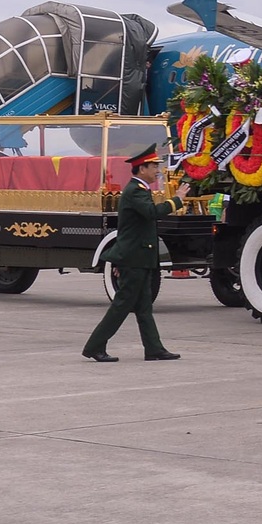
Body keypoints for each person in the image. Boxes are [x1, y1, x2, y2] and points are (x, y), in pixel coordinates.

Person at [83, 147, 187, 362]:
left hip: (140, 258)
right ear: (142, 169)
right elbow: (152, 213)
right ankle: (94, 346)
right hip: (133, 259)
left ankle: (153, 348)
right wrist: (176, 200)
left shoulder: (140, 189)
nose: (158, 170)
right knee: (122, 305)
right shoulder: (135, 191)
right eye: (154, 166)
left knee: (144, 308)